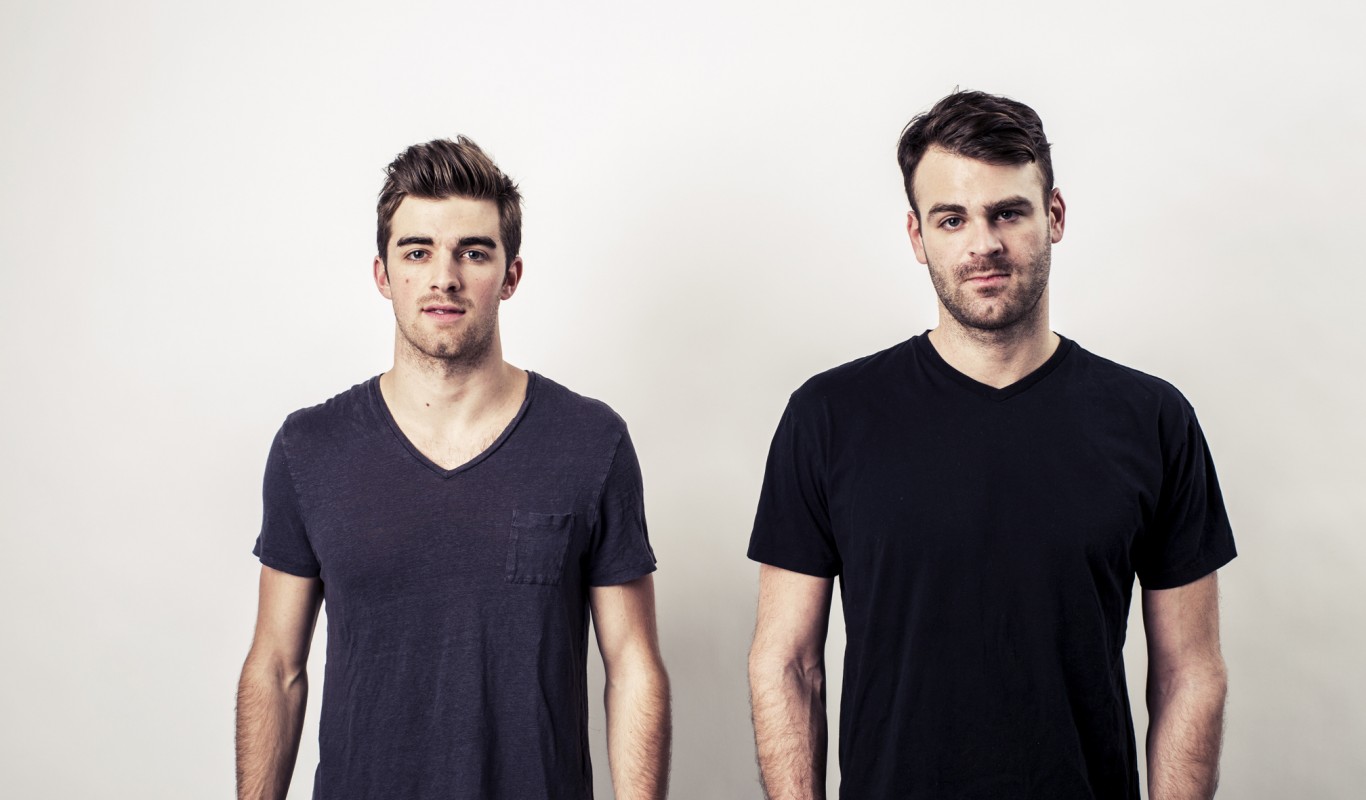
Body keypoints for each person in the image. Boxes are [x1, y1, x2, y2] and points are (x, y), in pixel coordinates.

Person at [747, 91, 1235, 799]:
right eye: (952, 219)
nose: (984, 244)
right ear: (917, 236)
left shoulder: (1152, 419)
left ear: (1054, 216)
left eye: (1008, 212)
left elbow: (1190, 672)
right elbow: (787, 664)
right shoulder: (829, 416)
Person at [236, 137, 670, 800]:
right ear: (383, 275)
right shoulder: (311, 448)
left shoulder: (590, 442)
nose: (444, 277)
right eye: (417, 252)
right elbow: (275, 667)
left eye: (473, 252)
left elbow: (633, 665)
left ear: (511, 275)